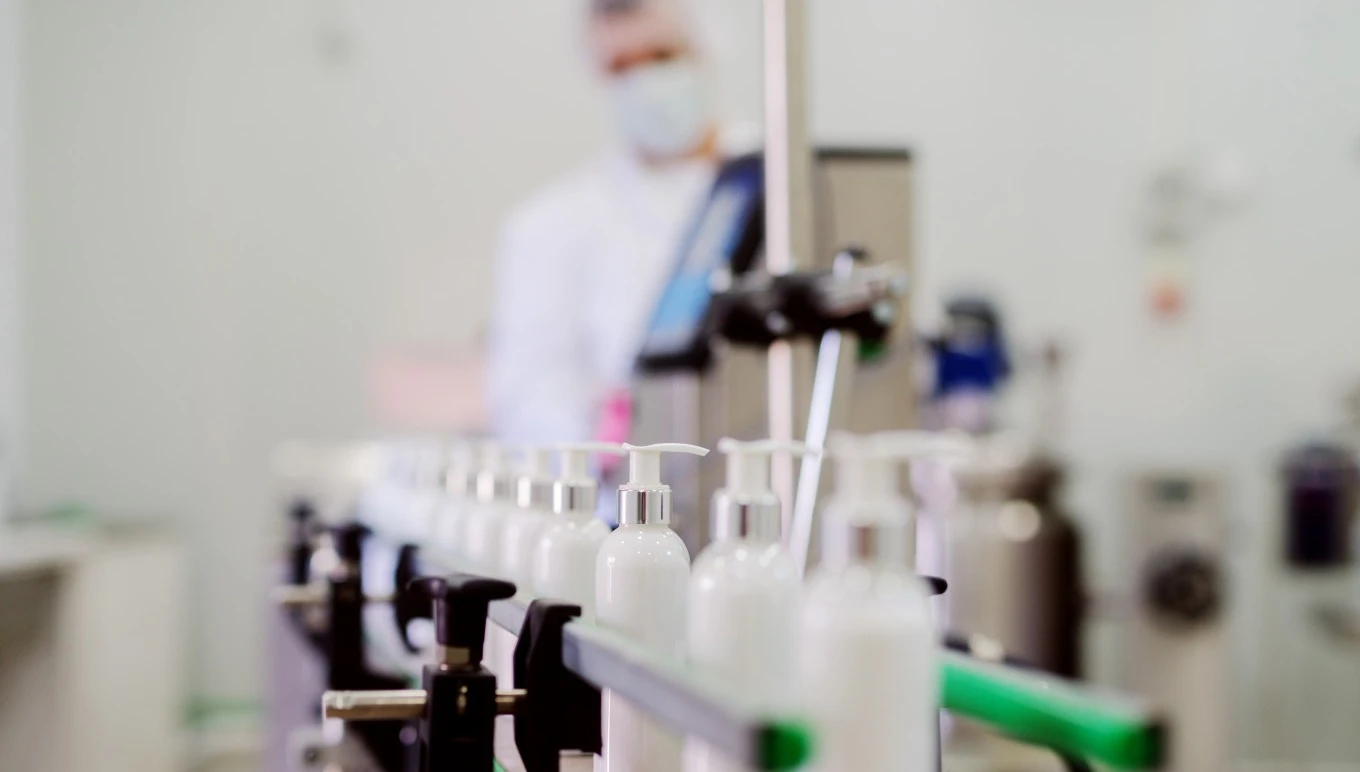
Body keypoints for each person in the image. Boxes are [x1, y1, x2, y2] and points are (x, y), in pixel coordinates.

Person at [487, 0, 733, 445]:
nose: (647, 83)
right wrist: (602, 439)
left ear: (705, 52)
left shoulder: (785, 189)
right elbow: (525, 400)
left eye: (661, 57)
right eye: (621, 67)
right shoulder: (549, 226)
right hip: (625, 503)